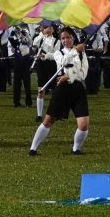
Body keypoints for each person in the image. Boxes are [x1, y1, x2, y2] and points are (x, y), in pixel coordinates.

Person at [28, 27, 91, 156]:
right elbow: (64, 62)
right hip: (62, 89)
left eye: (68, 37)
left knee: (84, 124)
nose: (65, 40)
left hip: (78, 89)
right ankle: (33, 149)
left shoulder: (82, 53)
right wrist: (75, 51)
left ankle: (76, 149)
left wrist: (69, 76)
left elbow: (83, 74)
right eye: (63, 38)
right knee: (48, 121)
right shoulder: (59, 53)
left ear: (73, 38)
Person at [32, 24, 59, 122]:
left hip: (51, 65)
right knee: (40, 90)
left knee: (55, 91)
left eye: (48, 27)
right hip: (41, 65)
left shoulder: (57, 41)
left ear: (52, 30)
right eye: (45, 27)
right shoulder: (40, 38)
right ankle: (39, 115)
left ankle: (55, 113)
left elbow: (56, 55)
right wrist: (41, 34)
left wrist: (45, 55)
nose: (46, 29)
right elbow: (34, 44)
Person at [10, 28, 33, 108]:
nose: (20, 35)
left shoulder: (28, 41)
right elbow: (11, 39)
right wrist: (12, 32)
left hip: (26, 66)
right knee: (16, 85)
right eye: (19, 33)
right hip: (17, 66)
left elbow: (27, 41)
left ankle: (28, 103)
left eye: (21, 34)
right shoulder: (17, 42)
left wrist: (23, 34)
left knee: (27, 85)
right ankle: (16, 102)